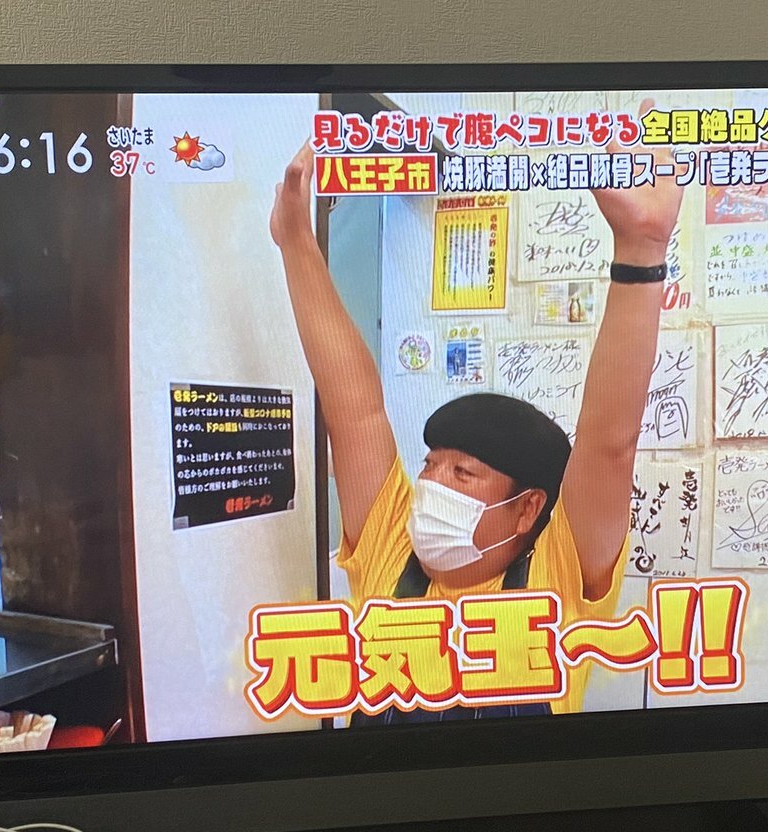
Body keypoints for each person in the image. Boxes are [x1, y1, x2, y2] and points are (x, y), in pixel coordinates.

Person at [269, 113, 683, 723]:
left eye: (463, 473)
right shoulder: (391, 545)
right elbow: (354, 410)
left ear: (526, 508)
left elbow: (608, 442)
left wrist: (642, 252)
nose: (431, 484)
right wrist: (296, 245)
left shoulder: (558, 571)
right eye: (431, 465)